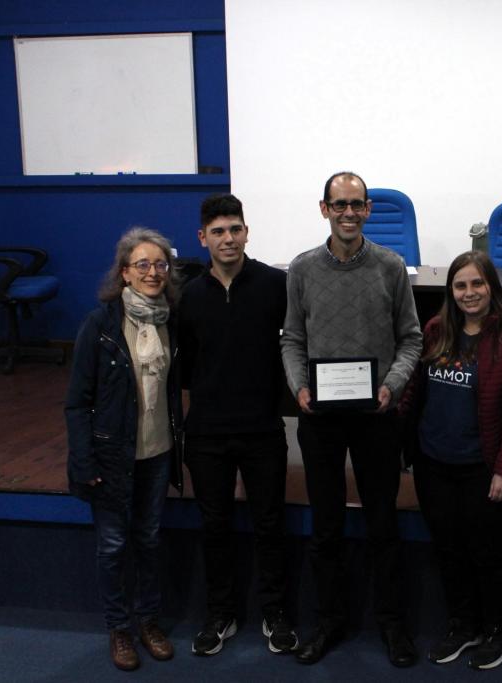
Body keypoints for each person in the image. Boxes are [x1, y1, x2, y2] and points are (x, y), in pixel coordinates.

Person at [280, 171, 422, 667]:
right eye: (338, 204)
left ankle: (391, 623)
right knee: (326, 527)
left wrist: (393, 386)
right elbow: (292, 338)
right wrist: (299, 384)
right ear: (324, 209)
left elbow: (411, 339)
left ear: (367, 210)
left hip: (377, 415)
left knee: (383, 525)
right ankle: (328, 621)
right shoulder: (301, 269)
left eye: (356, 205)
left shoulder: (391, 266)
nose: (348, 213)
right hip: (320, 417)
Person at [398, 251, 502, 670]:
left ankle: (497, 631)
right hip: (434, 465)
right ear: (450, 291)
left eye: (477, 284)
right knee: (449, 550)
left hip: (485, 469)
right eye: (461, 285)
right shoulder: (437, 330)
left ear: (491, 286)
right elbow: (414, 394)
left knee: (488, 554)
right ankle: (464, 625)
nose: (469, 293)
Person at [178, 194, 297, 657]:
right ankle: (220, 614)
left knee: (270, 524)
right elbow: (185, 366)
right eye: (219, 231)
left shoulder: (275, 284)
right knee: (215, 525)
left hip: (262, 429)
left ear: (246, 232)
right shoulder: (187, 296)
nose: (228, 239)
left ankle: (276, 614)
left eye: (236, 229)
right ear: (202, 237)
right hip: (206, 432)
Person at [65, 227, 182, 671]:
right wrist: (83, 459)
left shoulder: (171, 319)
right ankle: (119, 628)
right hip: (111, 456)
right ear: (125, 273)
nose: (153, 272)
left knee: (148, 540)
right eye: (143, 265)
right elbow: (77, 401)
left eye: (160, 264)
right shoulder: (100, 324)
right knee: (113, 545)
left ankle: (148, 621)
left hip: (158, 450)